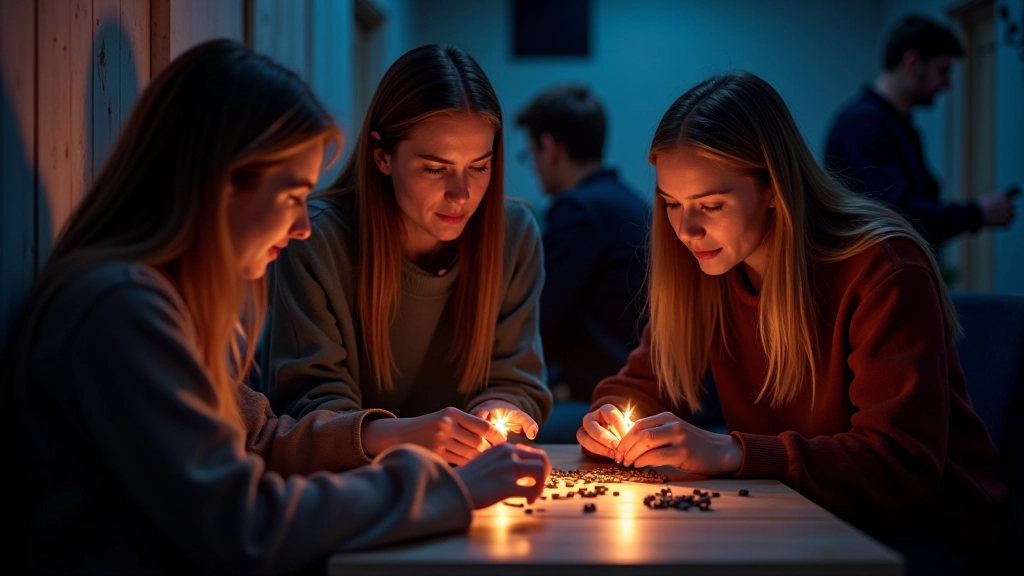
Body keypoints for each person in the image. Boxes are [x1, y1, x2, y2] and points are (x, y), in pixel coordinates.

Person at [5, 39, 550, 575]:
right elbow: (243, 527)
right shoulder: (120, 312)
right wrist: (443, 488)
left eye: (479, 166)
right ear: (218, 184)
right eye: (292, 197)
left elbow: (262, 438)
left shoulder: (150, 301)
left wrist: (392, 439)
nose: (302, 226)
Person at [578, 71, 1006, 576]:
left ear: (775, 189)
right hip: (800, 512)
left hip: (925, 533)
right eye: (672, 204)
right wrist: (612, 420)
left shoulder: (883, 267)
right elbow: (642, 385)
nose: (686, 229)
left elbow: (899, 465)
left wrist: (731, 452)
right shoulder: (707, 262)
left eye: (711, 205)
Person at [261, 44, 552, 467]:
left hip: (469, 478)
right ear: (382, 156)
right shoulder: (314, 237)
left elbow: (515, 377)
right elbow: (308, 406)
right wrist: (404, 436)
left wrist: (499, 410)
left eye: (479, 166)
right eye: (435, 169)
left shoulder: (515, 234)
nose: (462, 194)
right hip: (350, 488)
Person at [824, 14, 1015, 251]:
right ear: (913, 64)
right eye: (942, 71)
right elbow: (898, 215)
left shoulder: (896, 126)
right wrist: (976, 214)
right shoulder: (862, 126)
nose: (947, 83)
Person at [514, 84, 650, 412]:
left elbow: (536, 318)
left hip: (610, 397)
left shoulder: (579, 211)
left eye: (530, 154)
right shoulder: (627, 200)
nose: (533, 165)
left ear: (549, 149)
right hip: (639, 388)